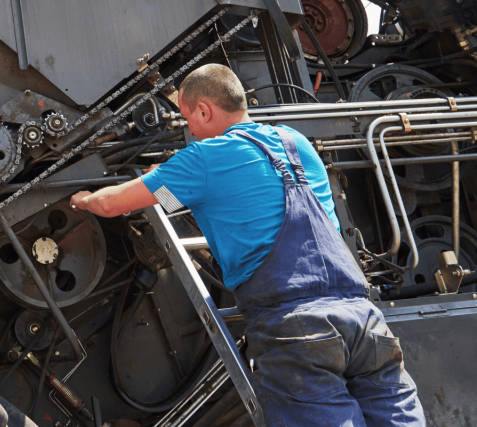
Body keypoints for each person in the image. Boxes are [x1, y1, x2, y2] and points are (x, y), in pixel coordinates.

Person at [70, 64, 424, 426]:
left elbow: (112, 204)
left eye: (187, 117)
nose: (189, 129)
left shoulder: (204, 159)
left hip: (297, 328)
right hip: (364, 321)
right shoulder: (295, 142)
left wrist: (83, 198)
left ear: (204, 110)